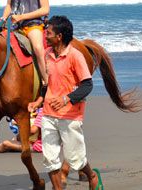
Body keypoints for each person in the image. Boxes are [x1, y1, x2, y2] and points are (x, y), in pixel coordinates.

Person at [30, 15, 103, 190]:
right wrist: (39, 100)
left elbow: (87, 85)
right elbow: (47, 84)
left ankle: (92, 176)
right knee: (50, 159)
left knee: (75, 159)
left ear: (59, 36)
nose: (44, 36)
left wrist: (65, 99)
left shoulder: (75, 56)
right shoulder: (47, 55)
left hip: (70, 115)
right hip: (48, 114)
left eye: (48, 33)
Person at [1, 0, 50, 85]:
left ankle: (46, 82)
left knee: (37, 48)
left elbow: (45, 9)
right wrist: (4, 17)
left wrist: (22, 17)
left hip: (33, 24)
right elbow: (9, 5)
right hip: (14, 23)